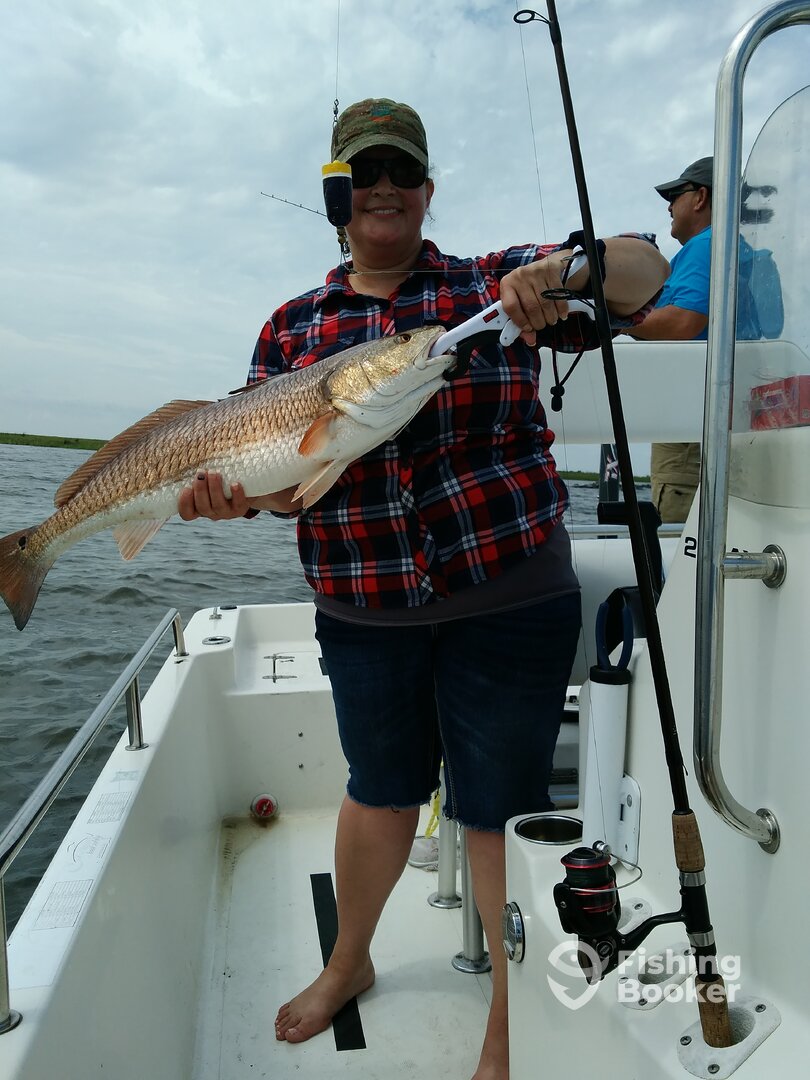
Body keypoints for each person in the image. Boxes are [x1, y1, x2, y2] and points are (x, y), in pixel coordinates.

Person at [178, 98, 668, 1080]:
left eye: (401, 171)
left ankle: (509, 1021)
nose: (384, 189)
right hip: (365, 610)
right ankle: (348, 962)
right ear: (338, 199)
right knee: (379, 789)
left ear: (428, 189)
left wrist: (564, 273)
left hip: (506, 599)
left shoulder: (492, 284)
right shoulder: (294, 328)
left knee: (499, 806)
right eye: (363, 176)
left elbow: (644, 271)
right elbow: (284, 482)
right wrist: (233, 499)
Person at [630, 156, 763, 523]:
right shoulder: (749, 253)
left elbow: (681, 324)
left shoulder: (707, 246)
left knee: (680, 533)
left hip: (693, 428)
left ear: (701, 197)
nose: (670, 206)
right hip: (735, 421)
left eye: (675, 194)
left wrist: (615, 317)